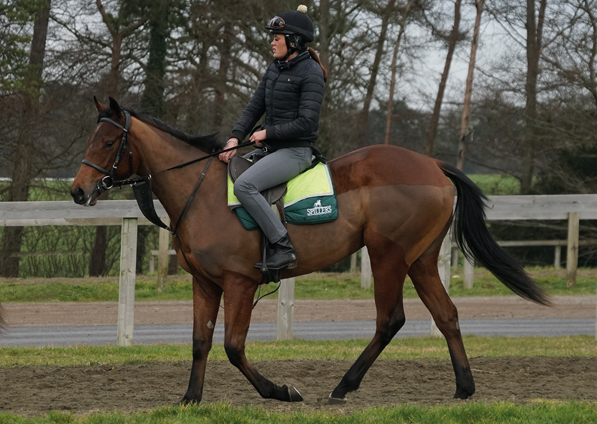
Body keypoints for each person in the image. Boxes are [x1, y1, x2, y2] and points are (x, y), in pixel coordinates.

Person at [219, 5, 327, 271]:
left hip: (296, 152)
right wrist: (235, 138)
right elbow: (255, 106)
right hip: (270, 150)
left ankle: (282, 246)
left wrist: (268, 132)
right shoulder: (275, 68)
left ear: (294, 41)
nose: (272, 42)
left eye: (277, 38)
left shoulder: (311, 73)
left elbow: (306, 123)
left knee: (244, 186)